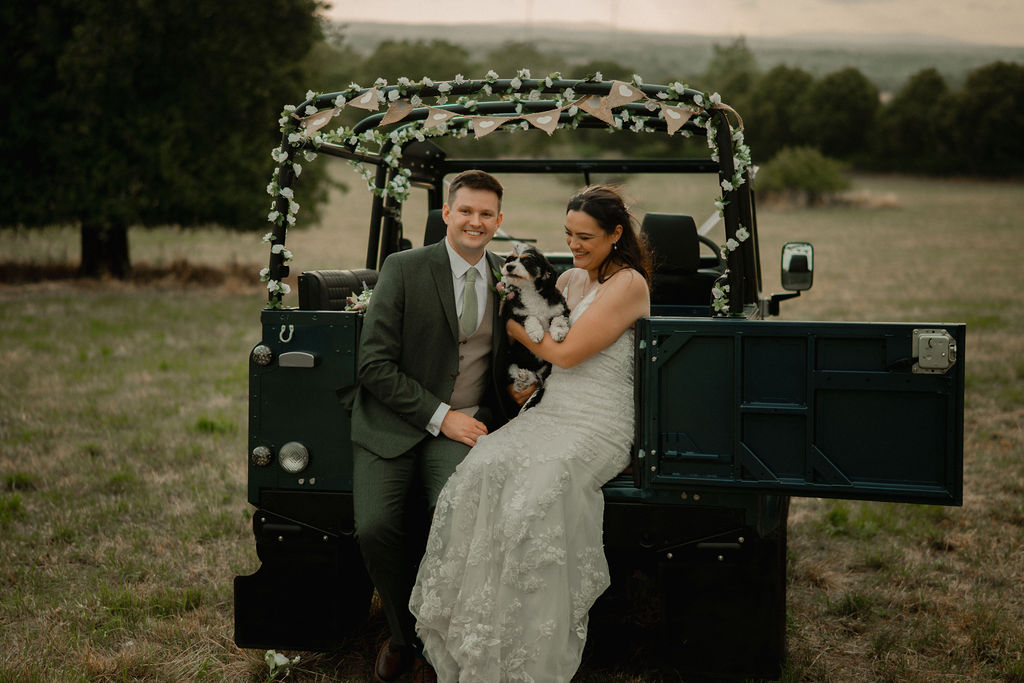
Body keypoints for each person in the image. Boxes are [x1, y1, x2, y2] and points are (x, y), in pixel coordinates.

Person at [409, 185, 653, 682]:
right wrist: (528, 384)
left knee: (536, 497)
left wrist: (516, 329)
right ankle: (480, 635)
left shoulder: (629, 284)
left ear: (616, 234)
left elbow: (566, 353)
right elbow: (550, 358)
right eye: (567, 233)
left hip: (599, 422)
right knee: (484, 465)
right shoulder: (569, 279)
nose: (574, 245)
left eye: (585, 237)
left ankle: (528, 650)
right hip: (551, 410)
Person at [350, 170, 532, 683]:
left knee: (450, 521)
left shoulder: (509, 277)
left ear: (500, 220)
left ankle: (437, 644)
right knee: (375, 527)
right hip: (393, 422)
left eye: (486, 214)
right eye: (466, 211)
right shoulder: (405, 268)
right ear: (447, 214)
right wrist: (440, 416)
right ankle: (405, 636)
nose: (475, 221)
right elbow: (374, 365)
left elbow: (519, 353)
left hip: (471, 424)